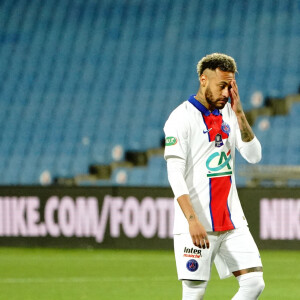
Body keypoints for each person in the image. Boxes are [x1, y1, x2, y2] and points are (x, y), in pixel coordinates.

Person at [164, 53, 265, 300]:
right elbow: (174, 173)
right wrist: (191, 220)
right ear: (203, 80)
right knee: (194, 293)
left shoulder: (230, 113)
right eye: (221, 85)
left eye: (230, 86)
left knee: (254, 284)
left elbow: (254, 156)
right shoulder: (181, 118)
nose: (226, 93)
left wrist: (240, 114)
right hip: (198, 224)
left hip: (232, 221)